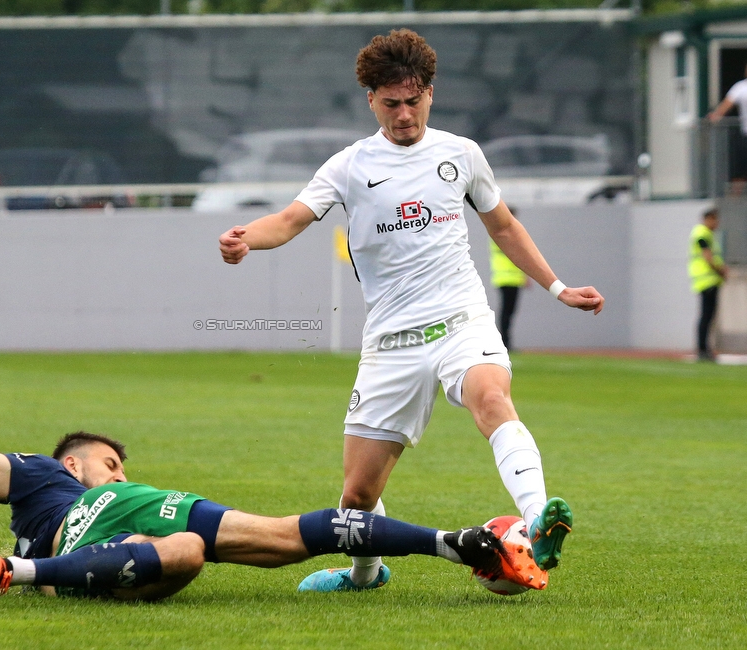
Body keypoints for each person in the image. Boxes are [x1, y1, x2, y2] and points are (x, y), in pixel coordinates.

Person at [218, 29, 604, 593]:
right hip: (392, 343)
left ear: (430, 93)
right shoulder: (349, 166)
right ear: (371, 100)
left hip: (461, 321)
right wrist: (245, 237)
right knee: (357, 496)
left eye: (415, 99)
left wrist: (558, 287)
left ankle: (540, 519)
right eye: (392, 103)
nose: (405, 114)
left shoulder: (461, 153)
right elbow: (291, 219)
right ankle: (363, 576)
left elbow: (503, 226)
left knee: (491, 397)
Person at [0, 401, 543, 602]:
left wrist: (130, 486)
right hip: (85, 535)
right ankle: (8, 570)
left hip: (147, 514)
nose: (118, 463)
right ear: (79, 459)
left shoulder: (127, 483)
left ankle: (457, 544)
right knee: (190, 552)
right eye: (111, 458)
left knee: (286, 534)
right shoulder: (44, 478)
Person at [688, 207, 728, 361]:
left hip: (707, 280)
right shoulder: (702, 233)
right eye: (715, 219)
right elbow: (708, 257)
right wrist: (721, 270)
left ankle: (704, 348)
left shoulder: (706, 234)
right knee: (706, 316)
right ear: (708, 219)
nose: (717, 223)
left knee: (707, 316)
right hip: (707, 280)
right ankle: (703, 349)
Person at [489, 207, 528, 350]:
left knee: (508, 313)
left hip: (510, 278)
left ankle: (506, 342)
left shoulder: (498, 232)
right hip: (507, 279)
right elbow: (517, 253)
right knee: (506, 313)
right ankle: (505, 343)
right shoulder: (502, 233)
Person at [708, 66, 747, 191]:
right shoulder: (741, 87)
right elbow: (726, 106)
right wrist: (715, 115)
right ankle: (735, 204)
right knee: (740, 171)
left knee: (740, 170)